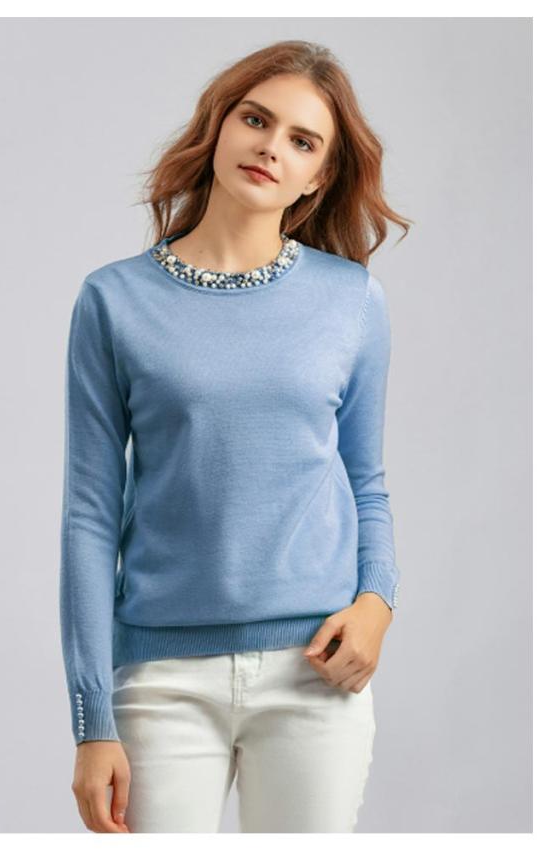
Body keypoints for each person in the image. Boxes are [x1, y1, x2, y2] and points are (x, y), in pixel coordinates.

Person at [59, 39, 411, 834]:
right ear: (219, 125)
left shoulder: (352, 300)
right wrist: (91, 717)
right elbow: (88, 514)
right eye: (256, 120)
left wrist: (377, 601)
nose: (271, 147)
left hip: (314, 675)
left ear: (318, 176)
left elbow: (365, 479)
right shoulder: (113, 301)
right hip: (161, 680)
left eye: (302, 140)